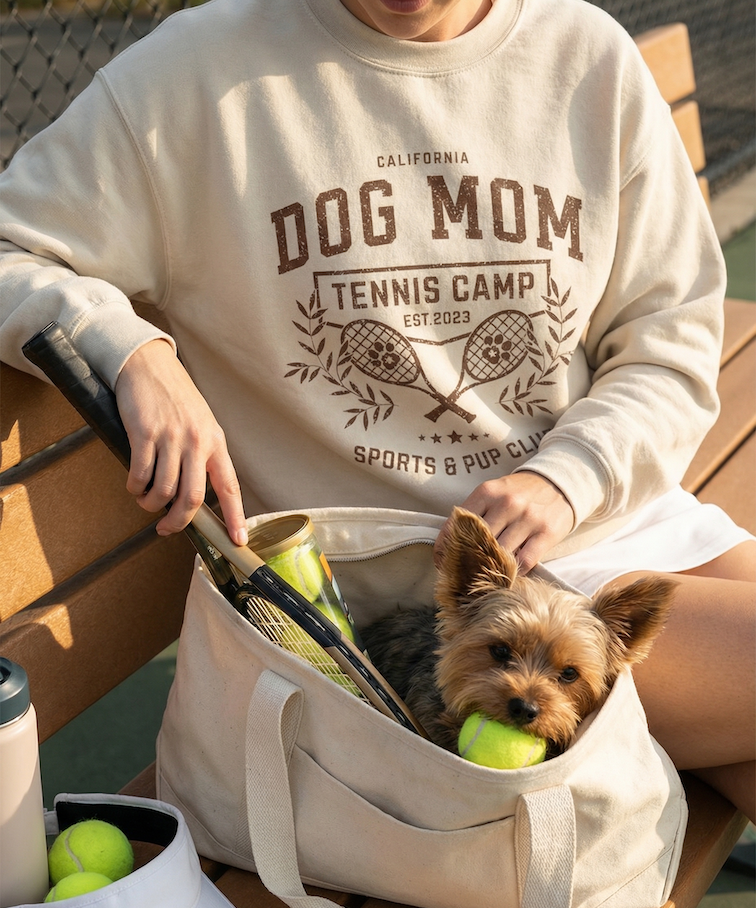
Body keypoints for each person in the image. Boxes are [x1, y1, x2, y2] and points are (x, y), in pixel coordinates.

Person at [0, 0, 753, 820]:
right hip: (424, 602)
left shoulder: (586, 58)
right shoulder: (191, 77)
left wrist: (569, 476)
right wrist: (132, 348)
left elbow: (668, 343)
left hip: (613, 520)